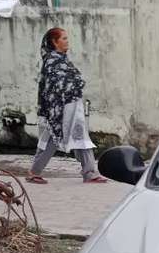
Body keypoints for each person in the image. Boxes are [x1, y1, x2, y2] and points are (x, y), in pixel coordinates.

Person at [28, 27, 106, 184]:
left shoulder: (63, 60)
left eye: (66, 38)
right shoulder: (52, 62)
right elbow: (52, 88)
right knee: (51, 139)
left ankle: (89, 172)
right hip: (57, 109)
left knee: (80, 136)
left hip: (72, 106)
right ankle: (34, 172)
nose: (67, 41)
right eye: (63, 38)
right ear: (54, 42)